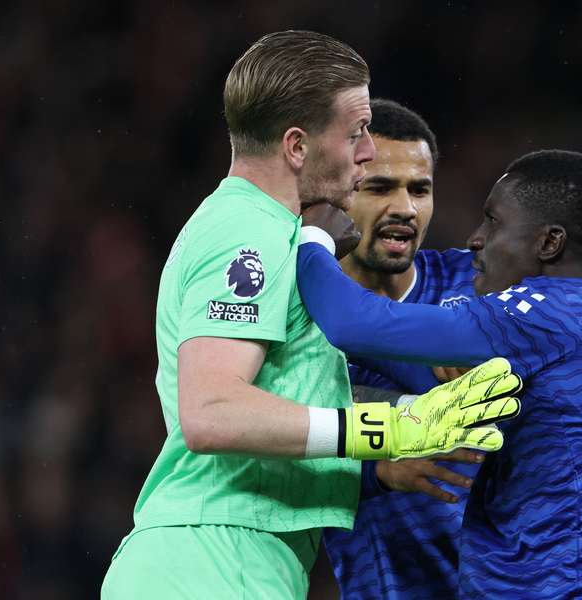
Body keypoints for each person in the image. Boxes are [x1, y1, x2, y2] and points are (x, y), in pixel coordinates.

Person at [100, 30, 520, 600]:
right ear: (297, 147)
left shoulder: (265, 231)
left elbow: (282, 391)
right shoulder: (247, 233)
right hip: (213, 561)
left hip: (233, 558)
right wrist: (386, 430)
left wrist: (407, 412)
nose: (368, 149)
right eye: (356, 133)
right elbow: (211, 411)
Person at [298, 149, 582, 598]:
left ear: (549, 243)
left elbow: (354, 323)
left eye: (494, 222)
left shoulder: (542, 313)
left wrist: (312, 237)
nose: (475, 238)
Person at [322, 99, 480, 599]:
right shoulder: (299, 315)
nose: (405, 208)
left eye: (420, 189)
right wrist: (377, 470)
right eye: (380, 187)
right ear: (339, 192)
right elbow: (258, 441)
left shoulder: (478, 286)